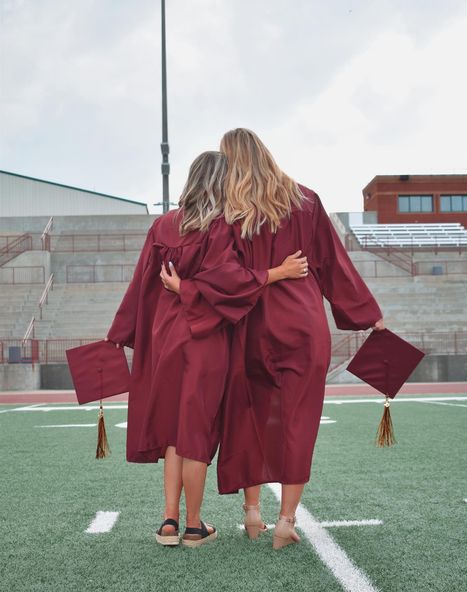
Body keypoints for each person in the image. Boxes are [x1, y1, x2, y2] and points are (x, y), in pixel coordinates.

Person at [165, 129, 384, 550]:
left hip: (249, 325)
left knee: (251, 417)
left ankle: (252, 514)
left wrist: (185, 291)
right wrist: (369, 316)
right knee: (299, 420)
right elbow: (333, 265)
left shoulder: (230, 211)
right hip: (302, 325)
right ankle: (286, 520)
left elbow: (221, 274)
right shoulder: (305, 200)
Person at [105, 150, 307, 548]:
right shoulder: (219, 229)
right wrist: (278, 272)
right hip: (203, 338)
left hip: (164, 338)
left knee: (171, 432)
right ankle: (194, 526)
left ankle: (169, 522)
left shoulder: (162, 226)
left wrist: (122, 331)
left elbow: (142, 282)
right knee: (194, 431)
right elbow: (232, 281)